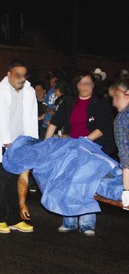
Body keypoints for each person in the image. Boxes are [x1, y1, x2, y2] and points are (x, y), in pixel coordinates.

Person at [45, 70, 115, 236]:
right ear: (76, 85)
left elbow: (102, 128)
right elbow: (55, 122)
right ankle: (69, 221)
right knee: (68, 182)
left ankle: (87, 223)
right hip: (71, 147)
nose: (85, 86)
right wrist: (46, 144)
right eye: (82, 82)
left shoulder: (101, 103)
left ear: (93, 85)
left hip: (92, 148)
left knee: (86, 183)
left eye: (88, 83)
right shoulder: (69, 101)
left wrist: (83, 142)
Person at [0, 59, 38, 234]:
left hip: (19, 143)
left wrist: (31, 143)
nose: (21, 78)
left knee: (15, 182)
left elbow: (31, 118)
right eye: (17, 75)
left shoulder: (29, 91)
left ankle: (15, 219)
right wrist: (7, 144)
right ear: (9, 75)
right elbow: (1, 120)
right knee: (1, 183)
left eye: (24, 75)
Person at [109, 79, 129, 208]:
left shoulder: (121, 119)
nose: (114, 102)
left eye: (116, 97)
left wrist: (127, 190)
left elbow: (126, 155)